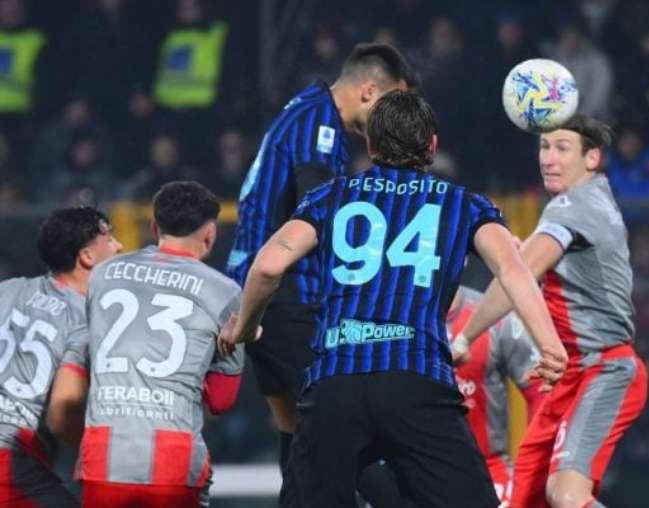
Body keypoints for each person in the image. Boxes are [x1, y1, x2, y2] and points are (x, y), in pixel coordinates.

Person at [219, 90, 567, 508]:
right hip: (415, 379)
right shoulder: (464, 204)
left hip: (334, 383)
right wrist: (549, 343)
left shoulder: (330, 196)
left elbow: (267, 267)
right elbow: (513, 269)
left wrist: (244, 327)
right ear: (432, 146)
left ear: (370, 145)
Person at [225, 42, 418, 495]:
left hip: (264, 298)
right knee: (348, 428)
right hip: (288, 297)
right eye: (393, 105)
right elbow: (323, 212)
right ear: (369, 91)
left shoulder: (308, 111)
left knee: (297, 429)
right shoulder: (319, 126)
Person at [452, 115, 648, 508]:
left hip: (602, 369)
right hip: (569, 376)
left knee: (566, 495)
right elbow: (532, 273)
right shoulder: (594, 200)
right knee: (525, 502)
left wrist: (465, 336)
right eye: (544, 147)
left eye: (562, 148)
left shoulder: (571, 207)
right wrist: (523, 263)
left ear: (592, 158)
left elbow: (518, 274)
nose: (548, 158)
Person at [47, 181, 244, 507]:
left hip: (105, 451)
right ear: (210, 234)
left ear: (154, 228)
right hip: (174, 455)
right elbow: (222, 400)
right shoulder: (225, 292)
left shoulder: (103, 274)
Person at [0, 206, 122, 506]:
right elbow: (61, 416)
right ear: (87, 256)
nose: (119, 246)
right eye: (109, 238)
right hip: (12, 464)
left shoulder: (8, 290)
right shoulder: (89, 320)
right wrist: (98, 453)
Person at [449, 285, 546, 507]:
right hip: (407, 475)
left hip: (489, 474)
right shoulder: (384, 322)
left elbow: (542, 392)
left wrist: (532, 468)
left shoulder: (494, 317)